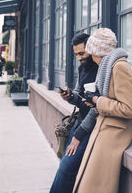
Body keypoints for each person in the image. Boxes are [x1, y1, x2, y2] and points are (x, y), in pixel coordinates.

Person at [73, 28, 132, 193]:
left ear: (100, 52)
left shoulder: (120, 68)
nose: (92, 58)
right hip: (104, 129)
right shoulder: (108, 66)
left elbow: (129, 108)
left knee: (95, 185)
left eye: (93, 53)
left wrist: (97, 100)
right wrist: (95, 102)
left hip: (114, 133)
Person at [50, 33, 98, 193]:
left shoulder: (101, 69)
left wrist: (78, 135)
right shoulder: (82, 67)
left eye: (82, 53)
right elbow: (79, 96)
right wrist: (70, 96)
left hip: (90, 129)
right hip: (80, 124)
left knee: (66, 166)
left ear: (91, 49)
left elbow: (97, 108)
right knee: (65, 166)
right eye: (76, 54)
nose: (79, 58)